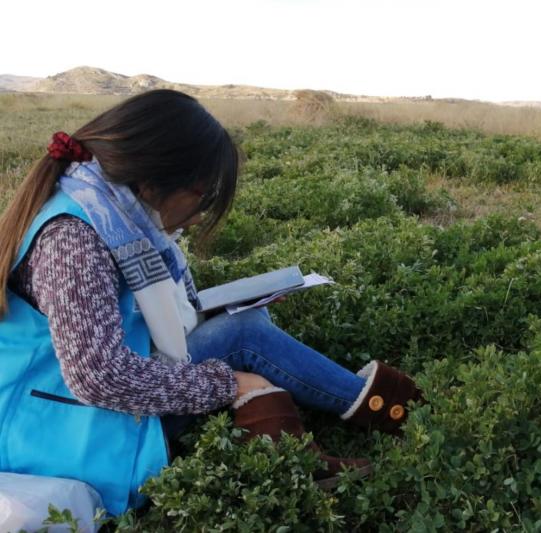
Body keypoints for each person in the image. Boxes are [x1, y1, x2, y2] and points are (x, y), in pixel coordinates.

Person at [0, 90, 422, 516]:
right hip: (65, 437)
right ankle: (397, 414)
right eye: (204, 193)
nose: (202, 213)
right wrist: (229, 383)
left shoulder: (99, 209)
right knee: (244, 335)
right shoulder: (74, 238)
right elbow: (99, 377)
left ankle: (300, 447)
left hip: (67, 414)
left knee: (242, 324)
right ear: (152, 179)